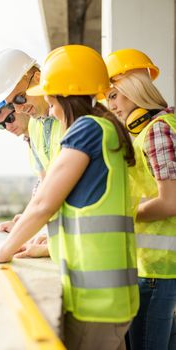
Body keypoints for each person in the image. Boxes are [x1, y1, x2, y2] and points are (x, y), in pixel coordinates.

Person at [0, 44, 139, 350]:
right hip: (108, 295)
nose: (50, 110)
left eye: (51, 99)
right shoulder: (103, 127)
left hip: (96, 298)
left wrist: (4, 252)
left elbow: (44, 203)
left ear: (66, 95)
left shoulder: (88, 130)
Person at [104, 48, 176, 350]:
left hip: (157, 271)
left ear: (133, 88)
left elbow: (170, 202)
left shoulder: (156, 131)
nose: (111, 105)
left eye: (113, 95)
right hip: (154, 269)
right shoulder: (153, 128)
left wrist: (124, 214)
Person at [0, 49, 62, 235]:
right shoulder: (36, 127)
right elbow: (46, 186)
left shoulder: (70, 118)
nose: (19, 109)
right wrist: (28, 222)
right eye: (13, 104)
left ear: (37, 77)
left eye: (20, 98)